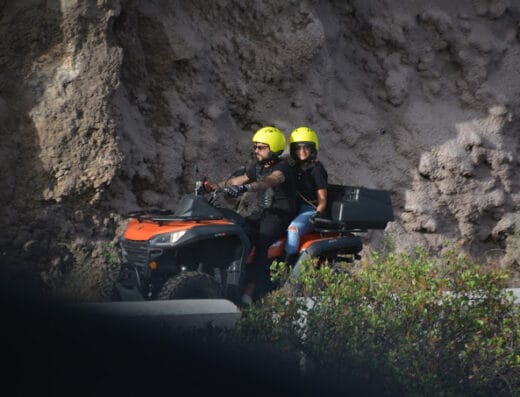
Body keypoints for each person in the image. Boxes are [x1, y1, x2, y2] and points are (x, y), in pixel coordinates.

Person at [205, 126, 296, 305]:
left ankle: (252, 290)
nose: (256, 151)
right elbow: (238, 180)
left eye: (261, 147)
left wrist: (249, 187)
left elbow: (269, 181)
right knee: (239, 234)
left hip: (279, 215)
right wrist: (212, 187)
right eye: (256, 147)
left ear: (274, 148)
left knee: (262, 244)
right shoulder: (258, 166)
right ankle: (230, 282)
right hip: (261, 212)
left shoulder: (283, 168)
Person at [284, 126, 328, 267]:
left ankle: (286, 271)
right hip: (293, 208)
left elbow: (323, 200)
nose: (301, 152)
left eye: (306, 148)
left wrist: (317, 214)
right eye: (298, 148)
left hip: (310, 209)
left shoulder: (316, 169)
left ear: (313, 149)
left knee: (293, 229)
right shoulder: (293, 167)